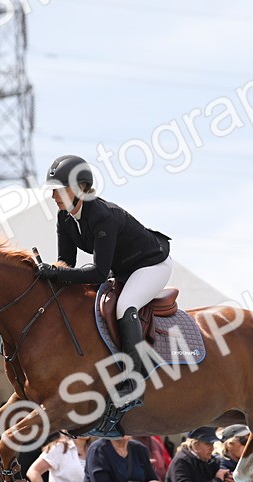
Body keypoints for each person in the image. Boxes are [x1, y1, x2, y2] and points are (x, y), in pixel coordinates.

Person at [35, 154, 176, 408]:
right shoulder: (64, 217)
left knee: (125, 306)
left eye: (59, 190)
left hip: (152, 265)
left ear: (80, 188)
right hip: (122, 270)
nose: (54, 196)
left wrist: (56, 273)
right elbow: (66, 264)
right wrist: (48, 275)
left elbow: (99, 273)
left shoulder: (102, 215)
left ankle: (134, 382)